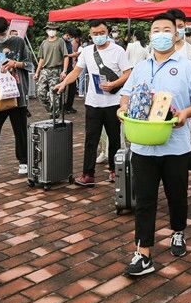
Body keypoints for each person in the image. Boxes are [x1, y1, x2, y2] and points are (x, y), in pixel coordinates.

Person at [117, 13, 191, 275]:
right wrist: (123, 108)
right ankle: (143, 252)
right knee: (145, 199)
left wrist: (186, 113)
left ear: (175, 34)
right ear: (150, 35)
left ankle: (178, 231)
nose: (160, 34)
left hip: (175, 147)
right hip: (142, 146)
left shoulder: (188, 67)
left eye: (166, 30)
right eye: (155, 30)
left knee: (177, 196)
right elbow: (125, 97)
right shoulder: (140, 67)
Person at [55, 19, 131, 186]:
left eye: (101, 33)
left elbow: (127, 73)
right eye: (95, 34)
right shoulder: (87, 51)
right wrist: (64, 83)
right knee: (91, 139)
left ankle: (114, 171)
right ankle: (88, 174)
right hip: (93, 103)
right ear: (90, 34)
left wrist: (113, 84)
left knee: (114, 139)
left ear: (107, 32)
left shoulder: (118, 51)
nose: (98, 36)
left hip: (113, 103)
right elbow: (76, 71)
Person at [0, 17, 32, 179]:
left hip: (17, 95)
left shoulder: (19, 42)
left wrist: (14, 64)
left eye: (2, 34)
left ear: (8, 29)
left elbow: (29, 64)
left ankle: (24, 161)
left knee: (21, 131)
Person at [35, 22, 69, 118]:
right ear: (46, 31)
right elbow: (41, 58)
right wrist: (37, 72)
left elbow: (66, 56)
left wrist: (64, 71)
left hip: (56, 70)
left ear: (56, 31)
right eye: (49, 29)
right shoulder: (44, 43)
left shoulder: (60, 42)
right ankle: (52, 111)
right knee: (40, 93)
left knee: (54, 94)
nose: (51, 31)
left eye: (53, 29)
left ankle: (54, 115)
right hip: (45, 70)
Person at [62, 26, 80, 114]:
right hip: (63, 68)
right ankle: (61, 107)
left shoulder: (68, 43)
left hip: (70, 68)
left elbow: (69, 53)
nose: (71, 38)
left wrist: (74, 54)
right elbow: (63, 55)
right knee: (63, 88)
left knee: (72, 88)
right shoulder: (61, 42)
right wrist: (72, 55)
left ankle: (69, 106)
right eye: (70, 36)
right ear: (67, 35)